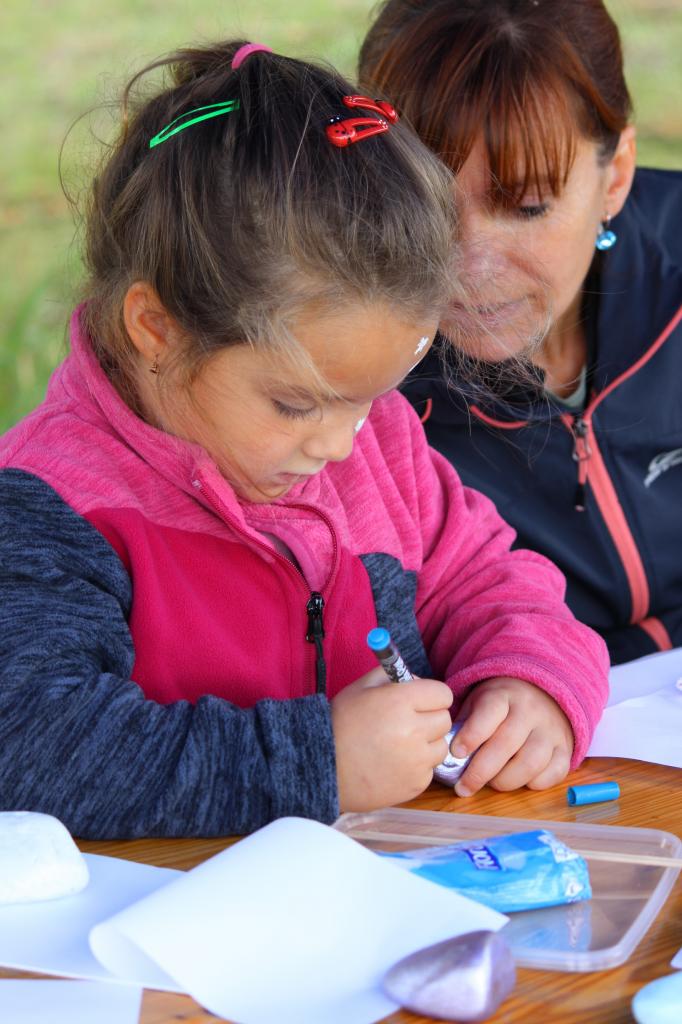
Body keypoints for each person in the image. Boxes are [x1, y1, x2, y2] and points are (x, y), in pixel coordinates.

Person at [0, 39, 608, 839]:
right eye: (295, 404)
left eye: (370, 398)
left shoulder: (376, 442)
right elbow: (31, 746)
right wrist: (317, 762)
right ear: (156, 329)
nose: (341, 445)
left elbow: (491, 580)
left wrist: (532, 681)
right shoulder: (51, 507)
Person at [359, 0, 682, 666]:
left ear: (616, 175)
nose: (469, 266)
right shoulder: (343, 383)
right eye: (426, 206)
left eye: (527, 206)